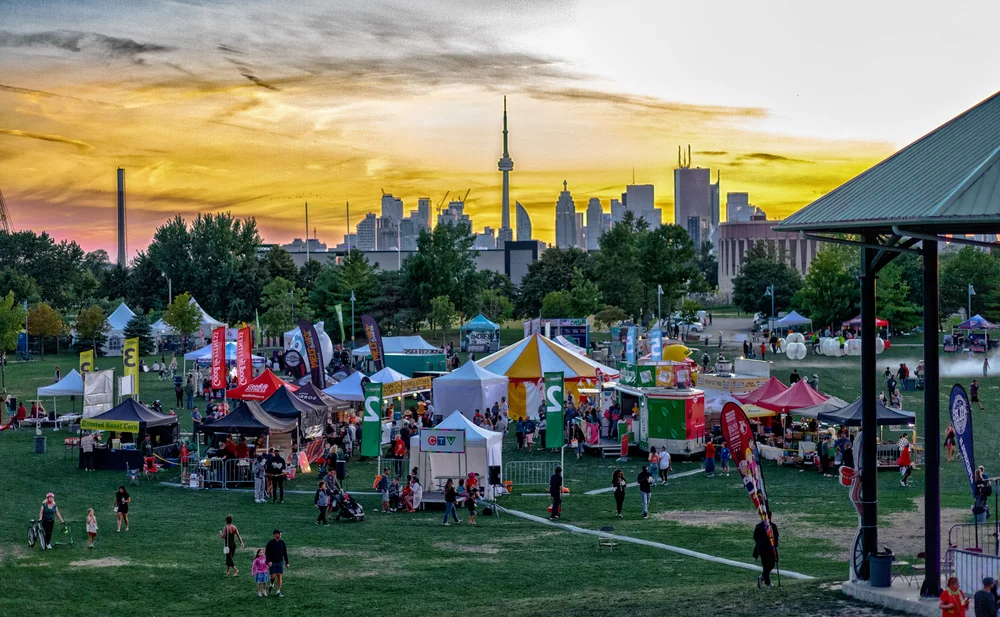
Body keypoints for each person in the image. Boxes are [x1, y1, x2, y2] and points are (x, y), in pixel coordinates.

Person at [752, 513, 779, 588]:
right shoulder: (772, 526)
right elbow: (776, 536)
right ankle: (763, 578)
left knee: (765, 565)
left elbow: (755, 537)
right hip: (769, 549)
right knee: (771, 564)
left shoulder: (758, 526)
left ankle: (767, 582)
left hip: (761, 549)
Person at [265, 529, 289, 598]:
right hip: (272, 562)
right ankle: (271, 584)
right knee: (273, 576)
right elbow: (267, 553)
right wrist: (268, 561)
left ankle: (278, 591)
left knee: (279, 576)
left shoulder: (282, 543)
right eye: (278, 534)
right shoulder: (270, 543)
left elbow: (285, 553)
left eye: (280, 534)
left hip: (280, 562)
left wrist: (287, 562)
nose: (279, 536)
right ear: (275, 535)